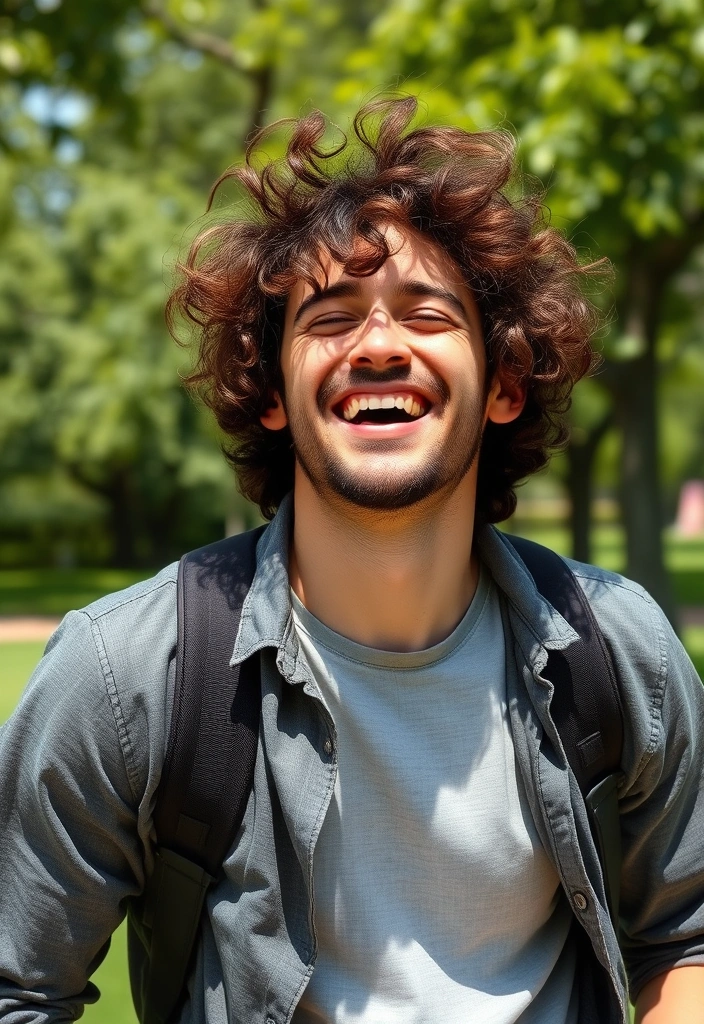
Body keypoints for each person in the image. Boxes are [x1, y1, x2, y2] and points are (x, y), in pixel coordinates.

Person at [1, 96, 703, 1024]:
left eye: (426, 312)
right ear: (271, 395)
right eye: (329, 318)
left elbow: (684, 937)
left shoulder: (619, 654)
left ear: (501, 384)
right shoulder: (123, 679)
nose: (378, 344)